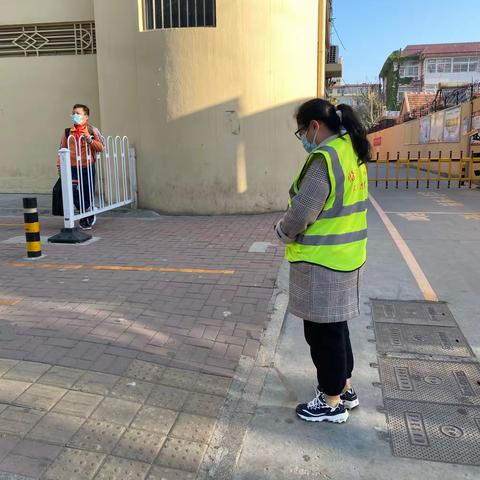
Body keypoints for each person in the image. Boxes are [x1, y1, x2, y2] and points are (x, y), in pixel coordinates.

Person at [275, 98, 370, 424]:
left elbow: (302, 212)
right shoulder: (351, 150)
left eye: (302, 130)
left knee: (322, 334)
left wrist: (283, 231)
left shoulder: (324, 158)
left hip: (322, 260)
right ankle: (344, 388)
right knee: (336, 326)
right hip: (347, 255)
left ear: (314, 126)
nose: (303, 138)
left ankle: (330, 402)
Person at [57, 104, 104, 230]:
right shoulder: (68, 132)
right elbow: (61, 149)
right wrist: (59, 166)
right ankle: (87, 210)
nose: (75, 116)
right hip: (71, 168)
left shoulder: (92, 130)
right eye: (73, 113)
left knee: (87, 193)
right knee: (72, 191)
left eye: (78, 113)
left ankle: (86, 218)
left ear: (86, 116)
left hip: (87, 166)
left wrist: (90, 140)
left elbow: (101, 147)